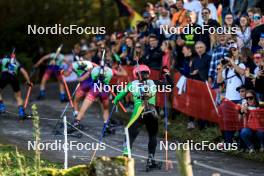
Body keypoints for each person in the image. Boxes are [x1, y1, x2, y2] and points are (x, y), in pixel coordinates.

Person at [113, 64, 173, 168]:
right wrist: (166, 74)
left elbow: (119, 96)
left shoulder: (132, 84)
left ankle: (126, 156)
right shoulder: (154, 82)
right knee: (152, 136)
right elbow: (170, 85)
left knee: (130, 134)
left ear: (136, 75)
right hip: (152, 111)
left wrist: (115, 100)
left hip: (138, 111)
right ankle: (150, 160)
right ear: (148, 73)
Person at [68, 56, 127, 134]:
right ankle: (106, 126)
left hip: (94, 89)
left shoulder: (94, 70)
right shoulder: (111, 71)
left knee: (83, 108)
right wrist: (119, 65)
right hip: (104, 91)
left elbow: (83, 78)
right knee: (105, 109)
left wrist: (81, 74)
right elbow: (124, 74)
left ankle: (76, 123)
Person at [63, 49, 96, 118]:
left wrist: (62, 71)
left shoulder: (73, 65)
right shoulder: (90, 63)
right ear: (85, 56)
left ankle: (77, 116)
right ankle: (78, 116)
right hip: (91, 85)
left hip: (83, 85)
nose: (89, 55)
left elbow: (66, 74)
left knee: (75, 101)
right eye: (88, 54)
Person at [0, 51, 32, 118]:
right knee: (18, 96)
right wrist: (29, 82)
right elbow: (24, 72)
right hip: (13, 77)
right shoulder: (17, 62)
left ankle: (1, 106)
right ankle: (21, 112)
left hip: (4, 76)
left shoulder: (3, 59)